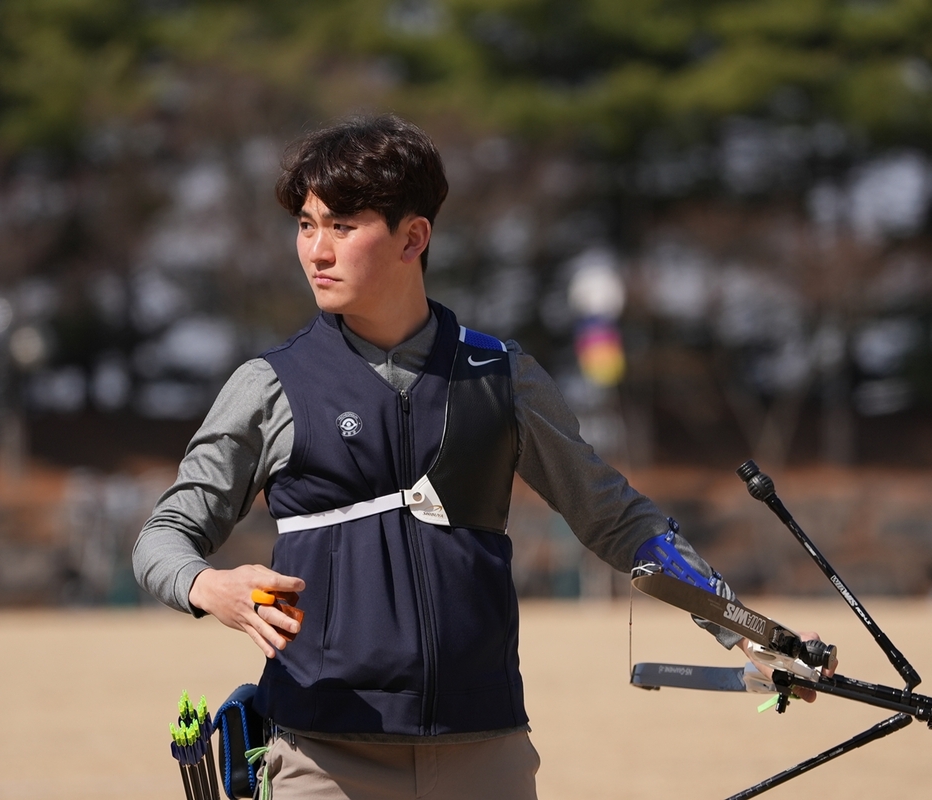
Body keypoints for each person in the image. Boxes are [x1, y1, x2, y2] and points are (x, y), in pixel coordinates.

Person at [133, 113, 834, 799]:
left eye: (342, 226)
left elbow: (618, 521)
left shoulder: (501, 375)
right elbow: (164, 535)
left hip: (486, 751)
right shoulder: (269, 385)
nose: (316, 251)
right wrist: (208, 588)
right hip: (324, 756)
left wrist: (747, 632)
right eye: (306, 225)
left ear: (414, 238)